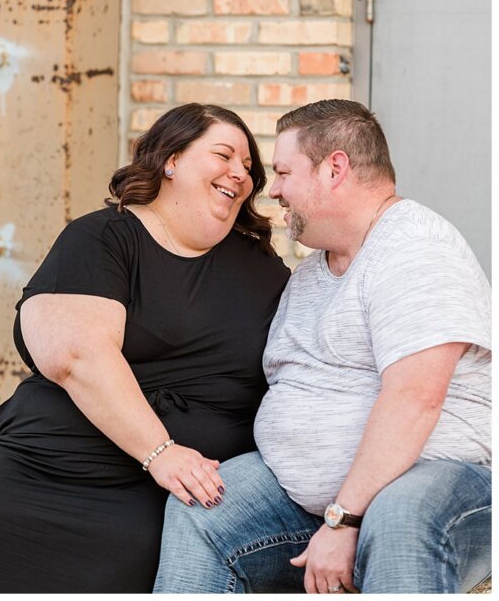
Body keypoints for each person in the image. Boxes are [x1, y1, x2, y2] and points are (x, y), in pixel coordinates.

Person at [154, 99, 491, 594]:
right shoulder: (313, 272)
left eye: (285, 172)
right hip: (312, 504)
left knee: (399, 515)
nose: (276, 191)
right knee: (204, 506)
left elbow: (415, 397)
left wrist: (344, 519)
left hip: (438, 486)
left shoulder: (416, 247)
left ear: (334, 168)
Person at [0, 104, 291, 593]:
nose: (241, 172)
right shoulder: (104, 237)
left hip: (181, 508)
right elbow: (77, 355)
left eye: (248, 166)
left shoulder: (261, 268)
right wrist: (162, 453)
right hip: (50, 481)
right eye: (224, 155)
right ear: (171, 159)